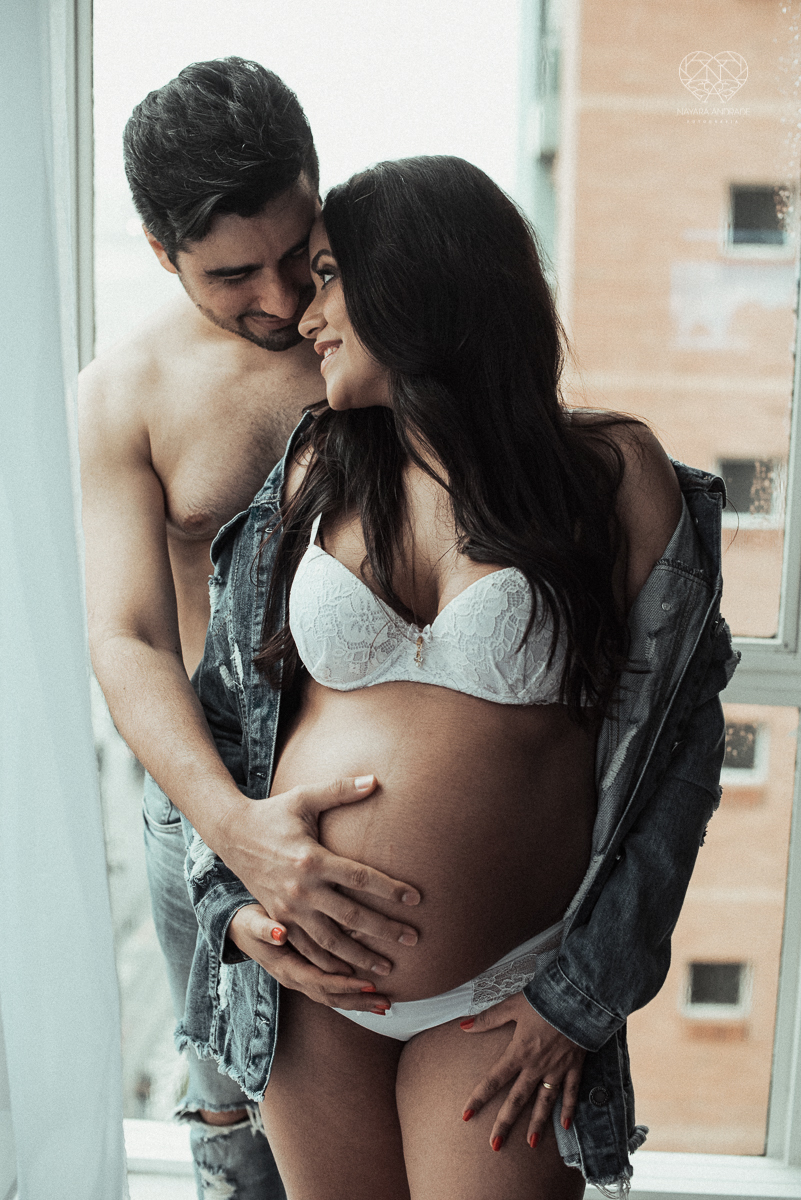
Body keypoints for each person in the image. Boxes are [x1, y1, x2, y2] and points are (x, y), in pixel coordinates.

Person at [177, 156, 739, 1198]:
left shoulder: (611, 476)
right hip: (308, 990)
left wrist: (584, 994)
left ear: (421, 280)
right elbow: (221, 725)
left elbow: (682, 758)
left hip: (504, 996)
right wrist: (233, 908)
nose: (307, 314)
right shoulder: (316, 471)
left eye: (333, 273)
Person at [79, 59, 425, 1200]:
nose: (282, 299)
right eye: (233, 275)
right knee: (236, 1125)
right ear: (159, 250)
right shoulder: (124, 394)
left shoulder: (403, 320)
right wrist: (237, 832)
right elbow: (126, 637)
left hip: (397, 816)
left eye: (297, 250)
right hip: (210, 806)